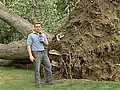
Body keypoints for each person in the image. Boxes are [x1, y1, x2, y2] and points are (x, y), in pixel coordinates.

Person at [27, 23, 52, 87]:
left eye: (39, 27)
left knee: (48, 67)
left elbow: (47, 44)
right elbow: (28, 45)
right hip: (36, 53)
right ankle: (38, 84)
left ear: (41, 27)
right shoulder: (31, 35)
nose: (38, 28)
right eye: (36, 27)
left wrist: (43, 41)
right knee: (37, 69)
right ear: (34, 28)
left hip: (44, 52)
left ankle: (49, 81)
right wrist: (30, 55)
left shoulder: (43, 35)